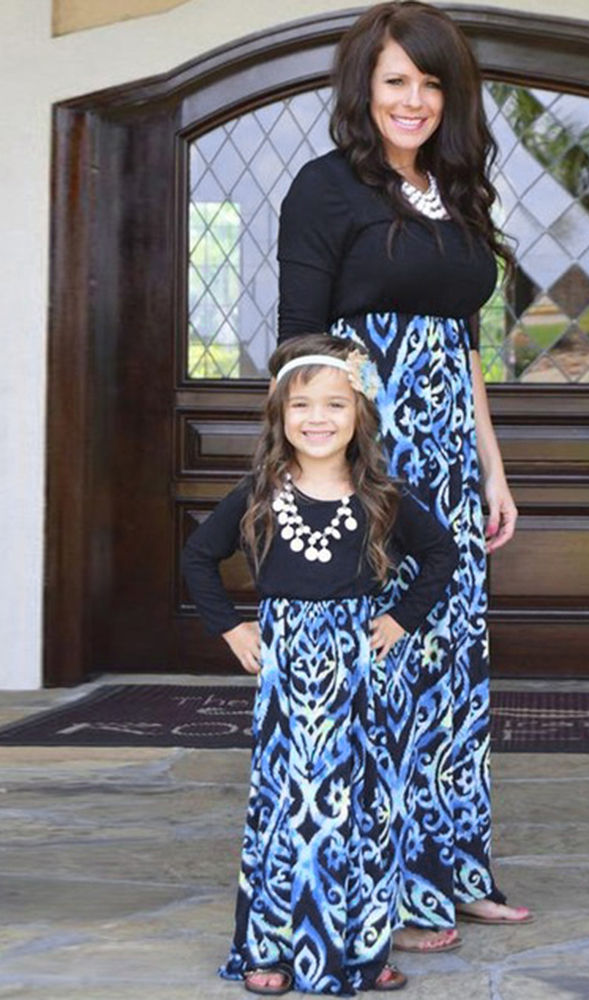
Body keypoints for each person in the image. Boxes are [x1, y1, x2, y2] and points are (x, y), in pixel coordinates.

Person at [277, 0, 531, 954]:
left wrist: (493, 474)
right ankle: (383, 890)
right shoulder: (326, 189)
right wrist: (328, 477)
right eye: (396, 82)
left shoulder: (458, 193)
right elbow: (300, 346)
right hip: (370, 466)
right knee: (382, 669)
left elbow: (465, 352)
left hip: (453, 471)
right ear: (364, 89)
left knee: (451, 670)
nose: (414, 100)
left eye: (431, 83)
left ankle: (452, 870)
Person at [182, 335, 459, 995]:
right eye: (301, 405)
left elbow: (442, 554)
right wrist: (230, 627)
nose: (317, 418)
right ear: (279, 416)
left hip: (357, 673)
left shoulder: (381, 496)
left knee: (363, 807)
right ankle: (269, 952)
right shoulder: (260, 491)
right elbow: (198, 555)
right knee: (284, 807)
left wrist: (398, 620)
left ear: (359, 414)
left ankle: (363, 951)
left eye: (335, 404)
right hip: (287, 672)